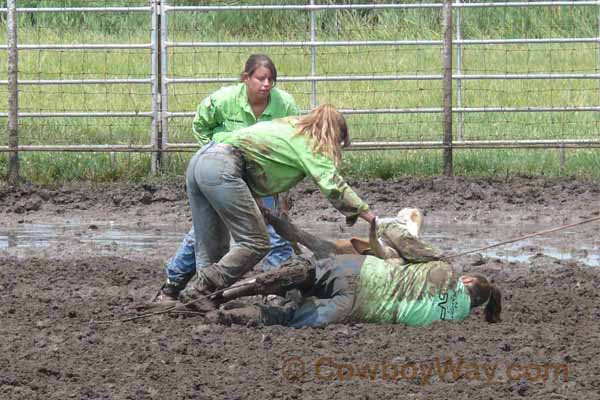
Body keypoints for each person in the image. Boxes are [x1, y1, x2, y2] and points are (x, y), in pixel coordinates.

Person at [178, 104, 377, 311]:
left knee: (212, 243)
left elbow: (255, 162)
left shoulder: (287, 125)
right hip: (223, 164)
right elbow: (333, 185)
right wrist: (370, 217)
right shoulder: (310, 142)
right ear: (332, 133)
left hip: (202, 160)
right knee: (256, 242)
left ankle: (201, 299)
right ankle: (202, 288)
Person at [156, 54, 300, 306]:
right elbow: (201, 124)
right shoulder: (223, 100)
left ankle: (275, 289)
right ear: (246, 78)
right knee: (205, 232)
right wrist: (211, 153)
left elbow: (292, 141)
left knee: (275, 229)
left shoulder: (285, 105)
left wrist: (282, 188)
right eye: (260, 78)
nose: (266, 85)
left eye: (271, 80)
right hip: (225, 173)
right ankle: (172, 285)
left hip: (263, 175)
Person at [208, 255, 502, 328]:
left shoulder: (447, 270)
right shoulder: (458, 317)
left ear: (466, 281)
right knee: (285, 318)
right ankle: (224, 316)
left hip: (365, 270)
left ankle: (227, 291)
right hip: (363, 309)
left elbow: (397, 235)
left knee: (309, 273)